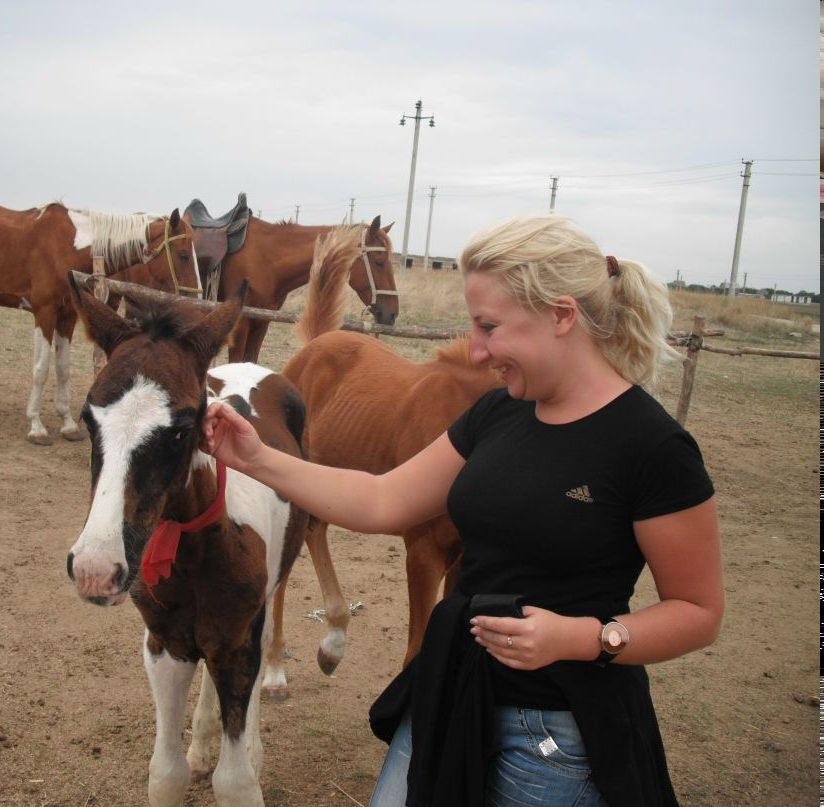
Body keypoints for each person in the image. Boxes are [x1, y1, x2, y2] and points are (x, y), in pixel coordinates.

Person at [200, 215, 723, 807]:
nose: (475, 350)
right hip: (452, 686)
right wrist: (256, 457)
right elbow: (382, 499)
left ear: (562, 315)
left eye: (489, 327)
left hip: (559, 725)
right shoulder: (497, 414)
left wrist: (584, 637)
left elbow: (699, 611)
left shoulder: (651, 448)